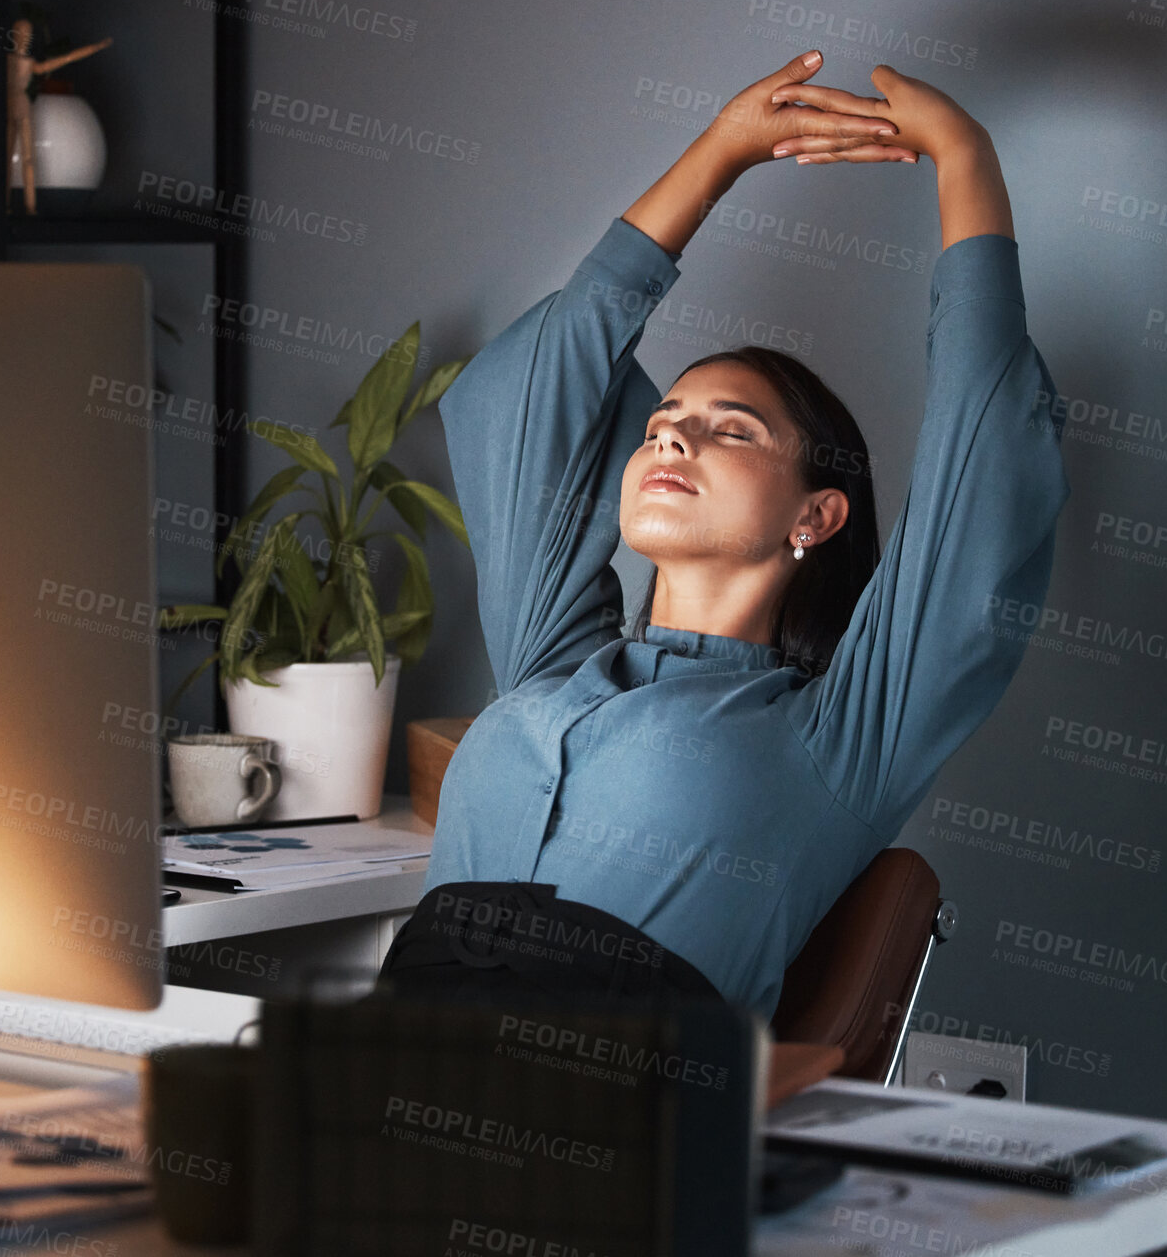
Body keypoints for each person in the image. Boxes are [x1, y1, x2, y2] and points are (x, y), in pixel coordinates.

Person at [377, 51, 1071, 1020]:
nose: (671, 433)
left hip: (619, 1126)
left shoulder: (837, 735)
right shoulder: (551, 661)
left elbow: (984, 456)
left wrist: (963, 154)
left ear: (815, 515)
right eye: (663, 419)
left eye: (731, 428)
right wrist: (720, 151)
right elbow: (529, 392)